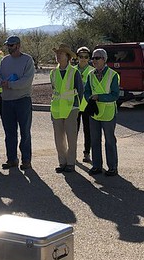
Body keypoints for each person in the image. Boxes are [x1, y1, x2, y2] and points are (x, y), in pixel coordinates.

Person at [0, 35, 35, 170]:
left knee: (25, 131)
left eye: (11, 45)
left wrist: (10, 84)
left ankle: (26, 160)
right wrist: (2, 83)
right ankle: (12, 159)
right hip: (6, 101)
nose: (9, 48)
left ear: (18, 45)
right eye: (7, 45)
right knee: (9, 132)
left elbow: (26, 81)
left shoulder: (27, 60)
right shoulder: (4, 61)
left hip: (22, 100)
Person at [84, 48, 120, 176]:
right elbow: (86, 90)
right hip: (95, 111)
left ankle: (112, 167)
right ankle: (97, 166)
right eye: (93, 58)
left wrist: (99, 97)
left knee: (109, 140)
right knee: (95, 140)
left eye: (97, 58)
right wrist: (89, 98)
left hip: (108, 112)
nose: (94, 60)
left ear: (104, 60)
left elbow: (115, 95)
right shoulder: (90, 74)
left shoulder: (113, 75)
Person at [50, 43, 84, 173]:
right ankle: (62, 162)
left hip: (71, 107)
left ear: (67, 56)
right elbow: (54, 90)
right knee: (59, 138)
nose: (58, 56)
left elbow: (80, 90)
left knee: (71, 137)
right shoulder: (53, 72)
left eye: (61, 53)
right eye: (57, 53)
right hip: (57, 109)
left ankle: (71, 163)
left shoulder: (74, 72)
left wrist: (78, 106)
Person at [75, 46, 94, 163]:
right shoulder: (72, 70)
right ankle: (72, 152)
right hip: (74, 105)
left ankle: (87, 153)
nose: (83, 59)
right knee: (73, 131)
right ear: (77, 57)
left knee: (88, 131)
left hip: (87, 105)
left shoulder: (92, 71)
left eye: (86, 56)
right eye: (81, 56)